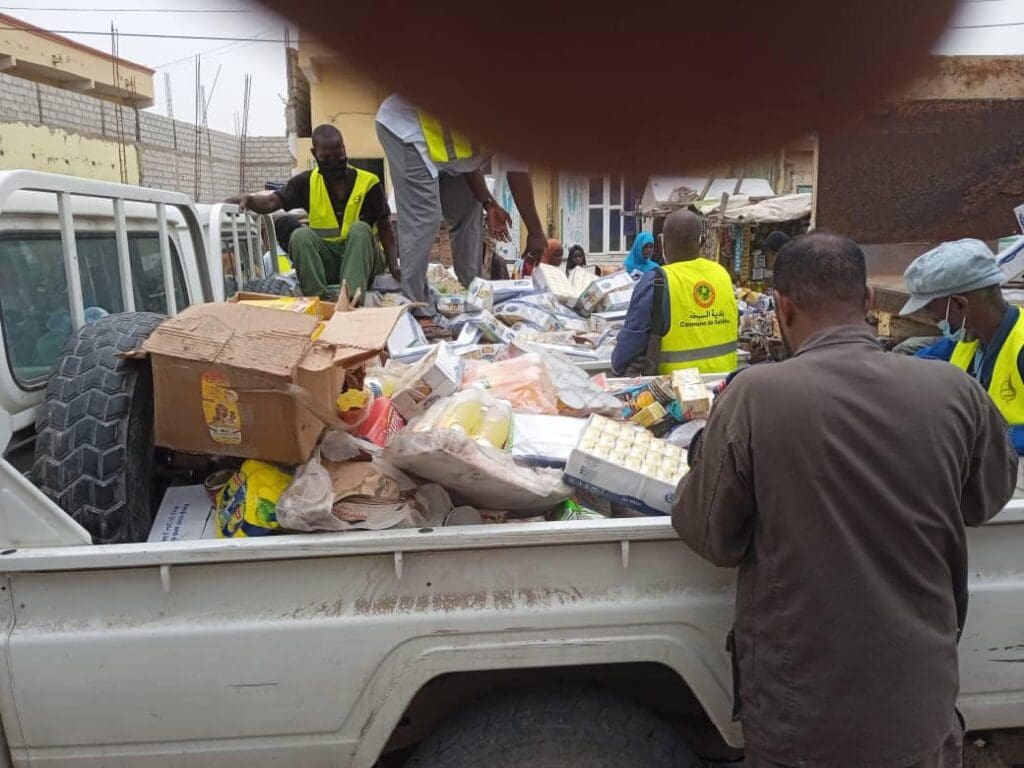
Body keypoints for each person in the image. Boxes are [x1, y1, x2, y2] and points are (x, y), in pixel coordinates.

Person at [673, 232, 1017, 768]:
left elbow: (709, 534)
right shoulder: (955, 393)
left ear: (782, 309)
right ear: (868, 304)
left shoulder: (754, 398)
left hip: (803, 722)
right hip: (919, 711)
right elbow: (986, 498)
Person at [374, 94, 547, 308]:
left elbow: (467, 159)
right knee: (425, 217)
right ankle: (415, 306)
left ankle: (473, 293)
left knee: (470, 206)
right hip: (404, 131)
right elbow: (517, 173)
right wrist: (536, 233)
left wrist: (488, 203)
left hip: (442, 151)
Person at [228, 124, 396, 303]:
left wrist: (394, 265)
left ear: (344, 149)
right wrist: (251, 200)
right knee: (300, 235)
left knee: (360, 229)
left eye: (338, 155)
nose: (333, 161)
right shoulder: (306, 183)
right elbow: (272, 201)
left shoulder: (369, 183)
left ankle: (350, 301)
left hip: (365, 262)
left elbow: (386, 228)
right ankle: (319, 301)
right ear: (314, 153)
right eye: (326, 157)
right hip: (329, 262)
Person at [899, 238, 1024, 454]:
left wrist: (987, 439)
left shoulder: (1020, 347)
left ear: (959, 304)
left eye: (931, 308)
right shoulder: (968, 340)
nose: (933, 318)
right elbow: (911, 366)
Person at [611, 210, 738, 375]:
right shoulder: (721, 274)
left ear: (662, 243)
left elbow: (628, 349)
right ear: (701, 242)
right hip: (723, 386)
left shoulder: (656, 281)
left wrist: (617, 365)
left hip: (676, 392)